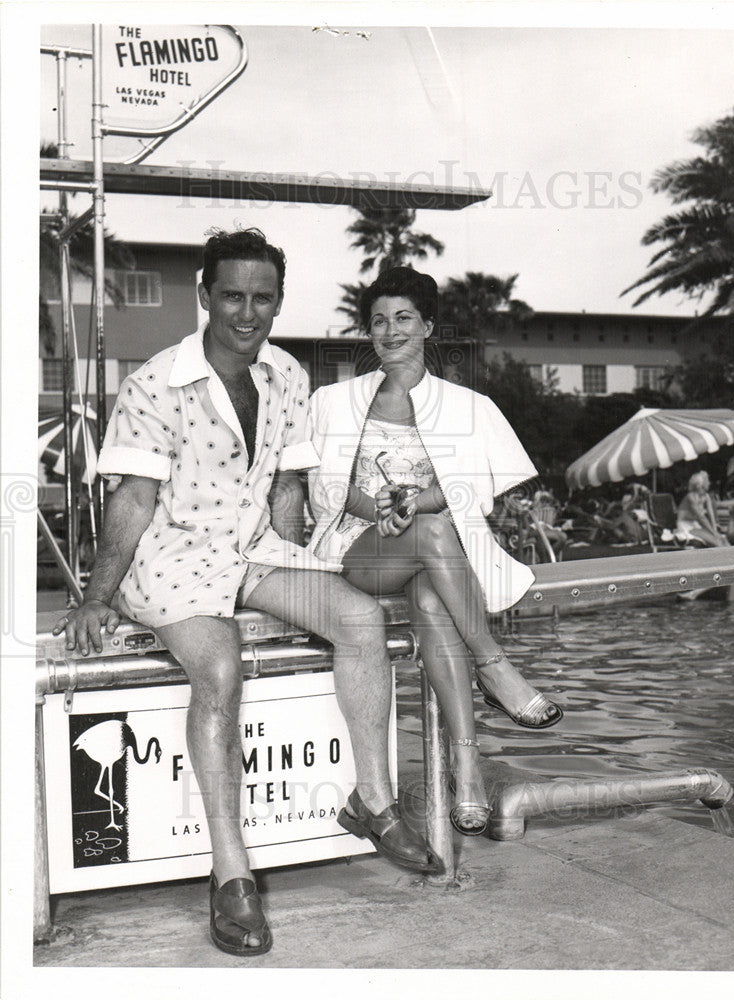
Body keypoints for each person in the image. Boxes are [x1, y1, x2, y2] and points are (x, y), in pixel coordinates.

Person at [52, 230, 442, 958]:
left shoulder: (287, 375)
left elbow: (287, 485)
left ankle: (374, 801)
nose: (246, 311)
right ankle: (231, 874)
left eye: (262, 297)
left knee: (359, 620)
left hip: (253, 551)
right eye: (232, 295)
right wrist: (96, 596)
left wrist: (294, 575)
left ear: (276, 302)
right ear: (204, 296)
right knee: (220, 667)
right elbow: (134, 500)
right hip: (173, 562)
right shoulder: (154, 384)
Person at [307, 266, 563, 837]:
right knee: (434, 535)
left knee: (430, 600)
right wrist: (381, 510)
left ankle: (467, 771)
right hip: (359, 547)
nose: (390, 331)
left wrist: (418, 500)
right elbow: (320, 486)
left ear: (427, 325)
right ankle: (495, 667)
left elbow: (474, 484)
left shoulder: (465, 405)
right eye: (378, 321)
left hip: (435, 558)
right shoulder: (334, 401)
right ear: (368, 333)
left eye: (403, 318)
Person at [676, 471, 727, 547]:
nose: (709, 483)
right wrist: (713, 532)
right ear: (700, 484)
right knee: (716, 541)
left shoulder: (706, 496)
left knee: (723, 539)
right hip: (686, 526)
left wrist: (715, 530)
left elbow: (711, 515)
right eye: (707, 481)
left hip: (695, 524)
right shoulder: (691, 497)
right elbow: (701, 517)